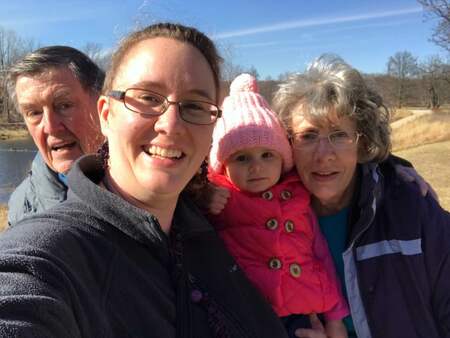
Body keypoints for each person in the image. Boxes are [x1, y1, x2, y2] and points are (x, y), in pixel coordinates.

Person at [0, 23, 289, 337]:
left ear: (212, 129)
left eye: (194, 105)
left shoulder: (203, 223)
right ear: (106, 116)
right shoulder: (53, 254)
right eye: (148, 98)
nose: (171, 124)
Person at [270, 54, 450, 338]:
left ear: (362, 142)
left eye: (340, 135)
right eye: (308, 136)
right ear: (287, 143)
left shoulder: (410, 205)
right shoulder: (269, 216)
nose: (324, 155)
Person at [207, 73, 348, 338]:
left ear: (284, 159)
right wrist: (202, 198)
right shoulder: (216, 198)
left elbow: (320, 257)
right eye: (241, 158)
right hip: (248, 316)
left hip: (303, 315)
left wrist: (335, 317)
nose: (256, 166)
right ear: (223, 166)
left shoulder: (299, 195)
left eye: (267, 155)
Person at [6, 46, 104, 226]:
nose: (50, 127)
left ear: (103, 105)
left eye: (64, 105)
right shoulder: (22, 207)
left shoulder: (159, 182)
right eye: (34, 112)